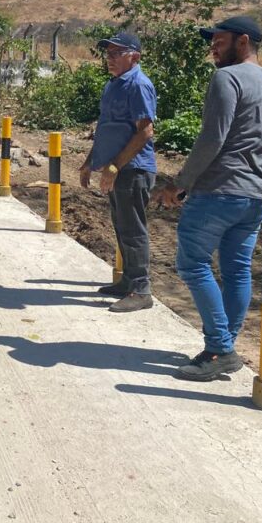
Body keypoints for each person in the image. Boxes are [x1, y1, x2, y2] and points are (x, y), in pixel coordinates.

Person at [157, 16, 262, 381]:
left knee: (193, 265)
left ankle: (220, 347)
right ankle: (223, 346)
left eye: (219, 40)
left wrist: (180, 183)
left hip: (218, 192)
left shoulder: (227, 78)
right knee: (236, 270)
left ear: (244, 41)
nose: (213, 47)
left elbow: (213, 138)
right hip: (256, 197)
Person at [79, 32, 157, 313]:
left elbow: (145, 132)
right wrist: (90, 161)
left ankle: (141, 289)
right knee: (121, 225)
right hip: (117, 169)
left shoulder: (138, 85)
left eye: (116, 53)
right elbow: (106, 127)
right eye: (108, 53)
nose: (109, 59)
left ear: (134, 56)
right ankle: (128, 282)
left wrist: (113, 167)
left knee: (133, 229)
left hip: (132, 170)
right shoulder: (114, 84)